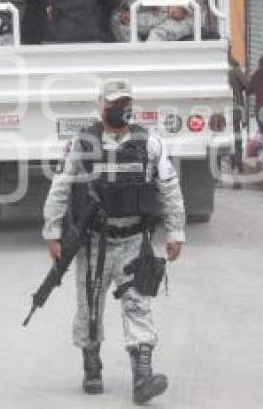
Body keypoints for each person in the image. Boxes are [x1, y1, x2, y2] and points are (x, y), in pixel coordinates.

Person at [42, 78, 185, 404]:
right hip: (94, 243)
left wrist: (176, 232)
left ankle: (143, 376)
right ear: (100, 106)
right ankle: (91, 365)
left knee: (138, 304)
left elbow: (169, 189)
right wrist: (52, 232)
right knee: (89, 307)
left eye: (125, 104)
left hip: (134, 240)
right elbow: (61, 186)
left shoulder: (149, 143)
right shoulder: (83, 143)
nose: (119, 110)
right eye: (113, 104)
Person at [228, 49, 249, 182]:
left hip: (218, 113)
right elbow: (247, 86)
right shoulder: (235, 70)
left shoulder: (215, 68)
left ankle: (227, 163)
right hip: (235, 110)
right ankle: (237, 165)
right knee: (236, 138)